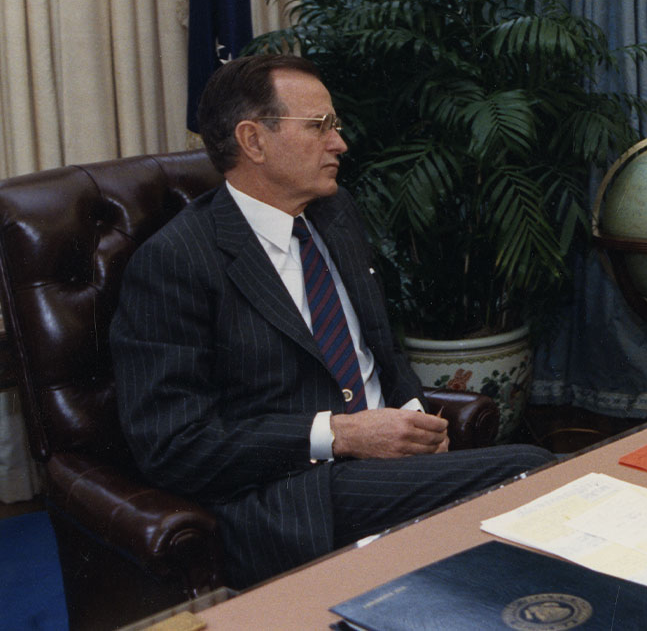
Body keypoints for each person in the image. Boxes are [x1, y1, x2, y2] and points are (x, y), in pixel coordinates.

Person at [110, 55, 554, 587]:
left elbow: (379, 350)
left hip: (386, 468)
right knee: (533, 471)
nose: (339, 143)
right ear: (253, 140)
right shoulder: (177, 261)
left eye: (335, 126)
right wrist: (340, 435)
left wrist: (415, 417)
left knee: (543, 504)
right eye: (319, 127)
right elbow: (174, 446)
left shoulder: (334, 212)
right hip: (292, 491)